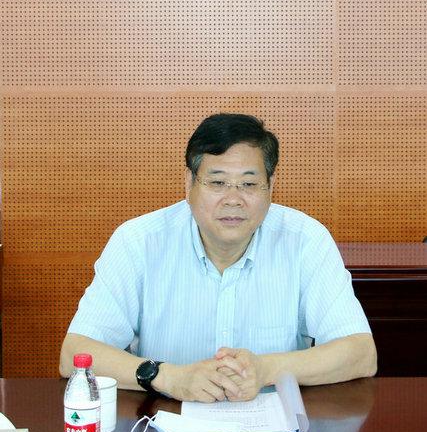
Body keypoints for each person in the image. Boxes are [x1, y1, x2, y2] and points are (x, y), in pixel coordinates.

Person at [60, 113, 377, 403]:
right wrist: (169, 377)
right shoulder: (138, 242)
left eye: (249, 184)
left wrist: (265, 369)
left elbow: (362, 354)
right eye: (217, 182)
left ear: (271, 187)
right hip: (163, 428)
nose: (233, 200)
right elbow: (74, 354)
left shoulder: (306, 240)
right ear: (189, 184)